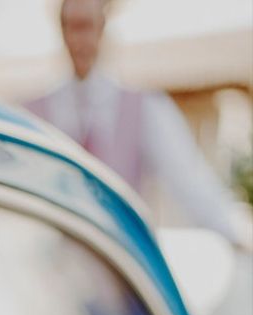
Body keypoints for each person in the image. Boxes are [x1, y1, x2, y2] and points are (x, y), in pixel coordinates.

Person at [25, 0, 247, 247]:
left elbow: (190, 181)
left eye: (86, 26)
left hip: (123, 262)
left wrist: (236, 234)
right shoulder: (34, 113)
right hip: (53, 269)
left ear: (102, 28)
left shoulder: (145, 107)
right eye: (71, 27)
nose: (78, 41)